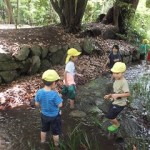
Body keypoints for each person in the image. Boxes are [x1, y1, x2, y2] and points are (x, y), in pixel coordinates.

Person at [35, 69, 63, 146]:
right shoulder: (54, 94)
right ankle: (56, 145)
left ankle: (42, 142)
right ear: (54, 83)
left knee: (43, 129)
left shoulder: (39, 92)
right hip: (54, 116)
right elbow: (60, 105)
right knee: (55, 132)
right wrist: (59, 96)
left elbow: (37, 104)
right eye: (56, 83)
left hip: (44, 115)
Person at [104, 62, 130, 132]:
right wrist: (109, 95)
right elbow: (116, 91)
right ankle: (114, 119)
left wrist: (117, 95)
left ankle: (117, 124)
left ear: (123, 73)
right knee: (110, 111)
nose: (115, 75)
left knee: (110, 116)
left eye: (117, 73)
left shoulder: (124, 82)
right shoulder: (116, 79)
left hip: (120, 104)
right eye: (113, 73)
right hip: (115, 101)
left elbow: (128, 94)